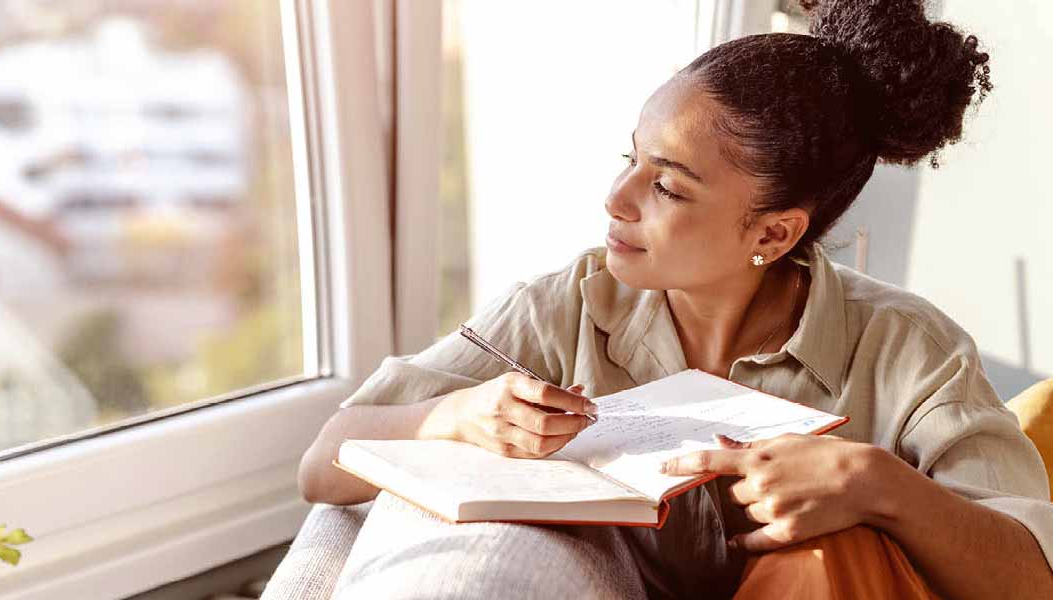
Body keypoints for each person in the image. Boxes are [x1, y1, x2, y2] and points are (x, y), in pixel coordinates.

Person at [296, 1, 1053, 598]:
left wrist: (878, 487)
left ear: (774, 231)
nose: (617, 198)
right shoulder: (564, 305)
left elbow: (1029, 581)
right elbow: (324, 465)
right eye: (631, 157)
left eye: (665, 185)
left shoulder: (908, 348)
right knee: (357, 522)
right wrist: (454, 416)